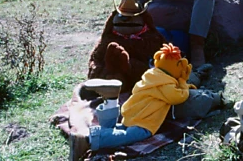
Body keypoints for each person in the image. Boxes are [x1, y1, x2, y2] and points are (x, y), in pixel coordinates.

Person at [69, 43, 231, 160]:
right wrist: (182, 81)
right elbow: (179, 97)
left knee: (117, 128)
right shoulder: (167, 85)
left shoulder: (152, 76)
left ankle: (111, 101)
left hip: (130, 113)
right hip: (144, 122)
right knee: (126, 136)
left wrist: (183, 81)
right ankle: (89, 139)